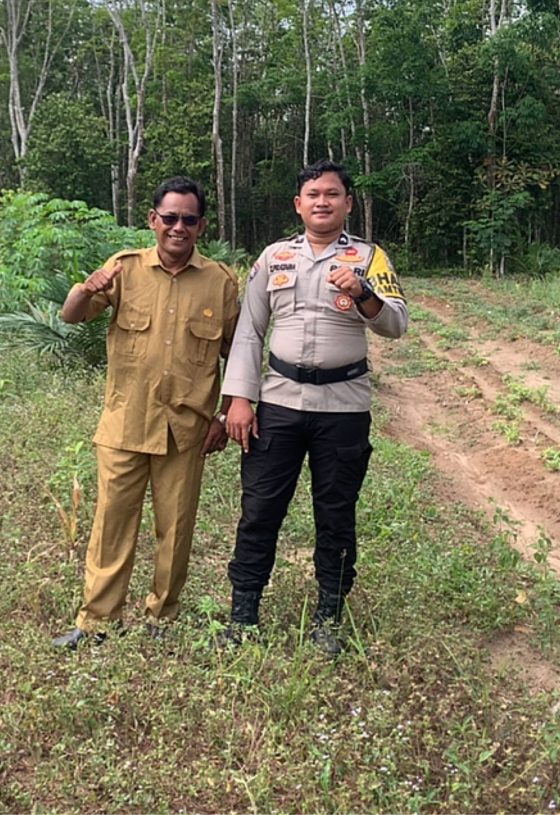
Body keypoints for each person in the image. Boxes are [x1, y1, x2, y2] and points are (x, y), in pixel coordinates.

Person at [220, 159, 408, 655]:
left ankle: (328, 616)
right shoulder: (275, 257)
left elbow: (395, 324)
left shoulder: (369, 258)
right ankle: (243, 616)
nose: (322, 202)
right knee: (260, 508)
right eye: (313, 194)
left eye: (332, 194)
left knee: (336, 512)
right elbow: (249, 331)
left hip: (343, 406)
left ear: (348, 203)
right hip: (279, 401)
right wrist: (239, 399)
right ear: (298, 205)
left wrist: (363, 293)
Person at [52, 177, 239, 648]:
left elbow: (237, 354)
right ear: (153, 220)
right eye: (169, 217)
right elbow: (72, 315)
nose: (178, 227)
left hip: (186, 429)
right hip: (126, 423)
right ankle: (98, 622)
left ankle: (163, 618)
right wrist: (85, 288)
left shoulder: (219, 282)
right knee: (111, 526)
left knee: (175, 529)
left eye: (189, 219)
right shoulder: (123, 268)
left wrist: (226, 414)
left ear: (202, 226)